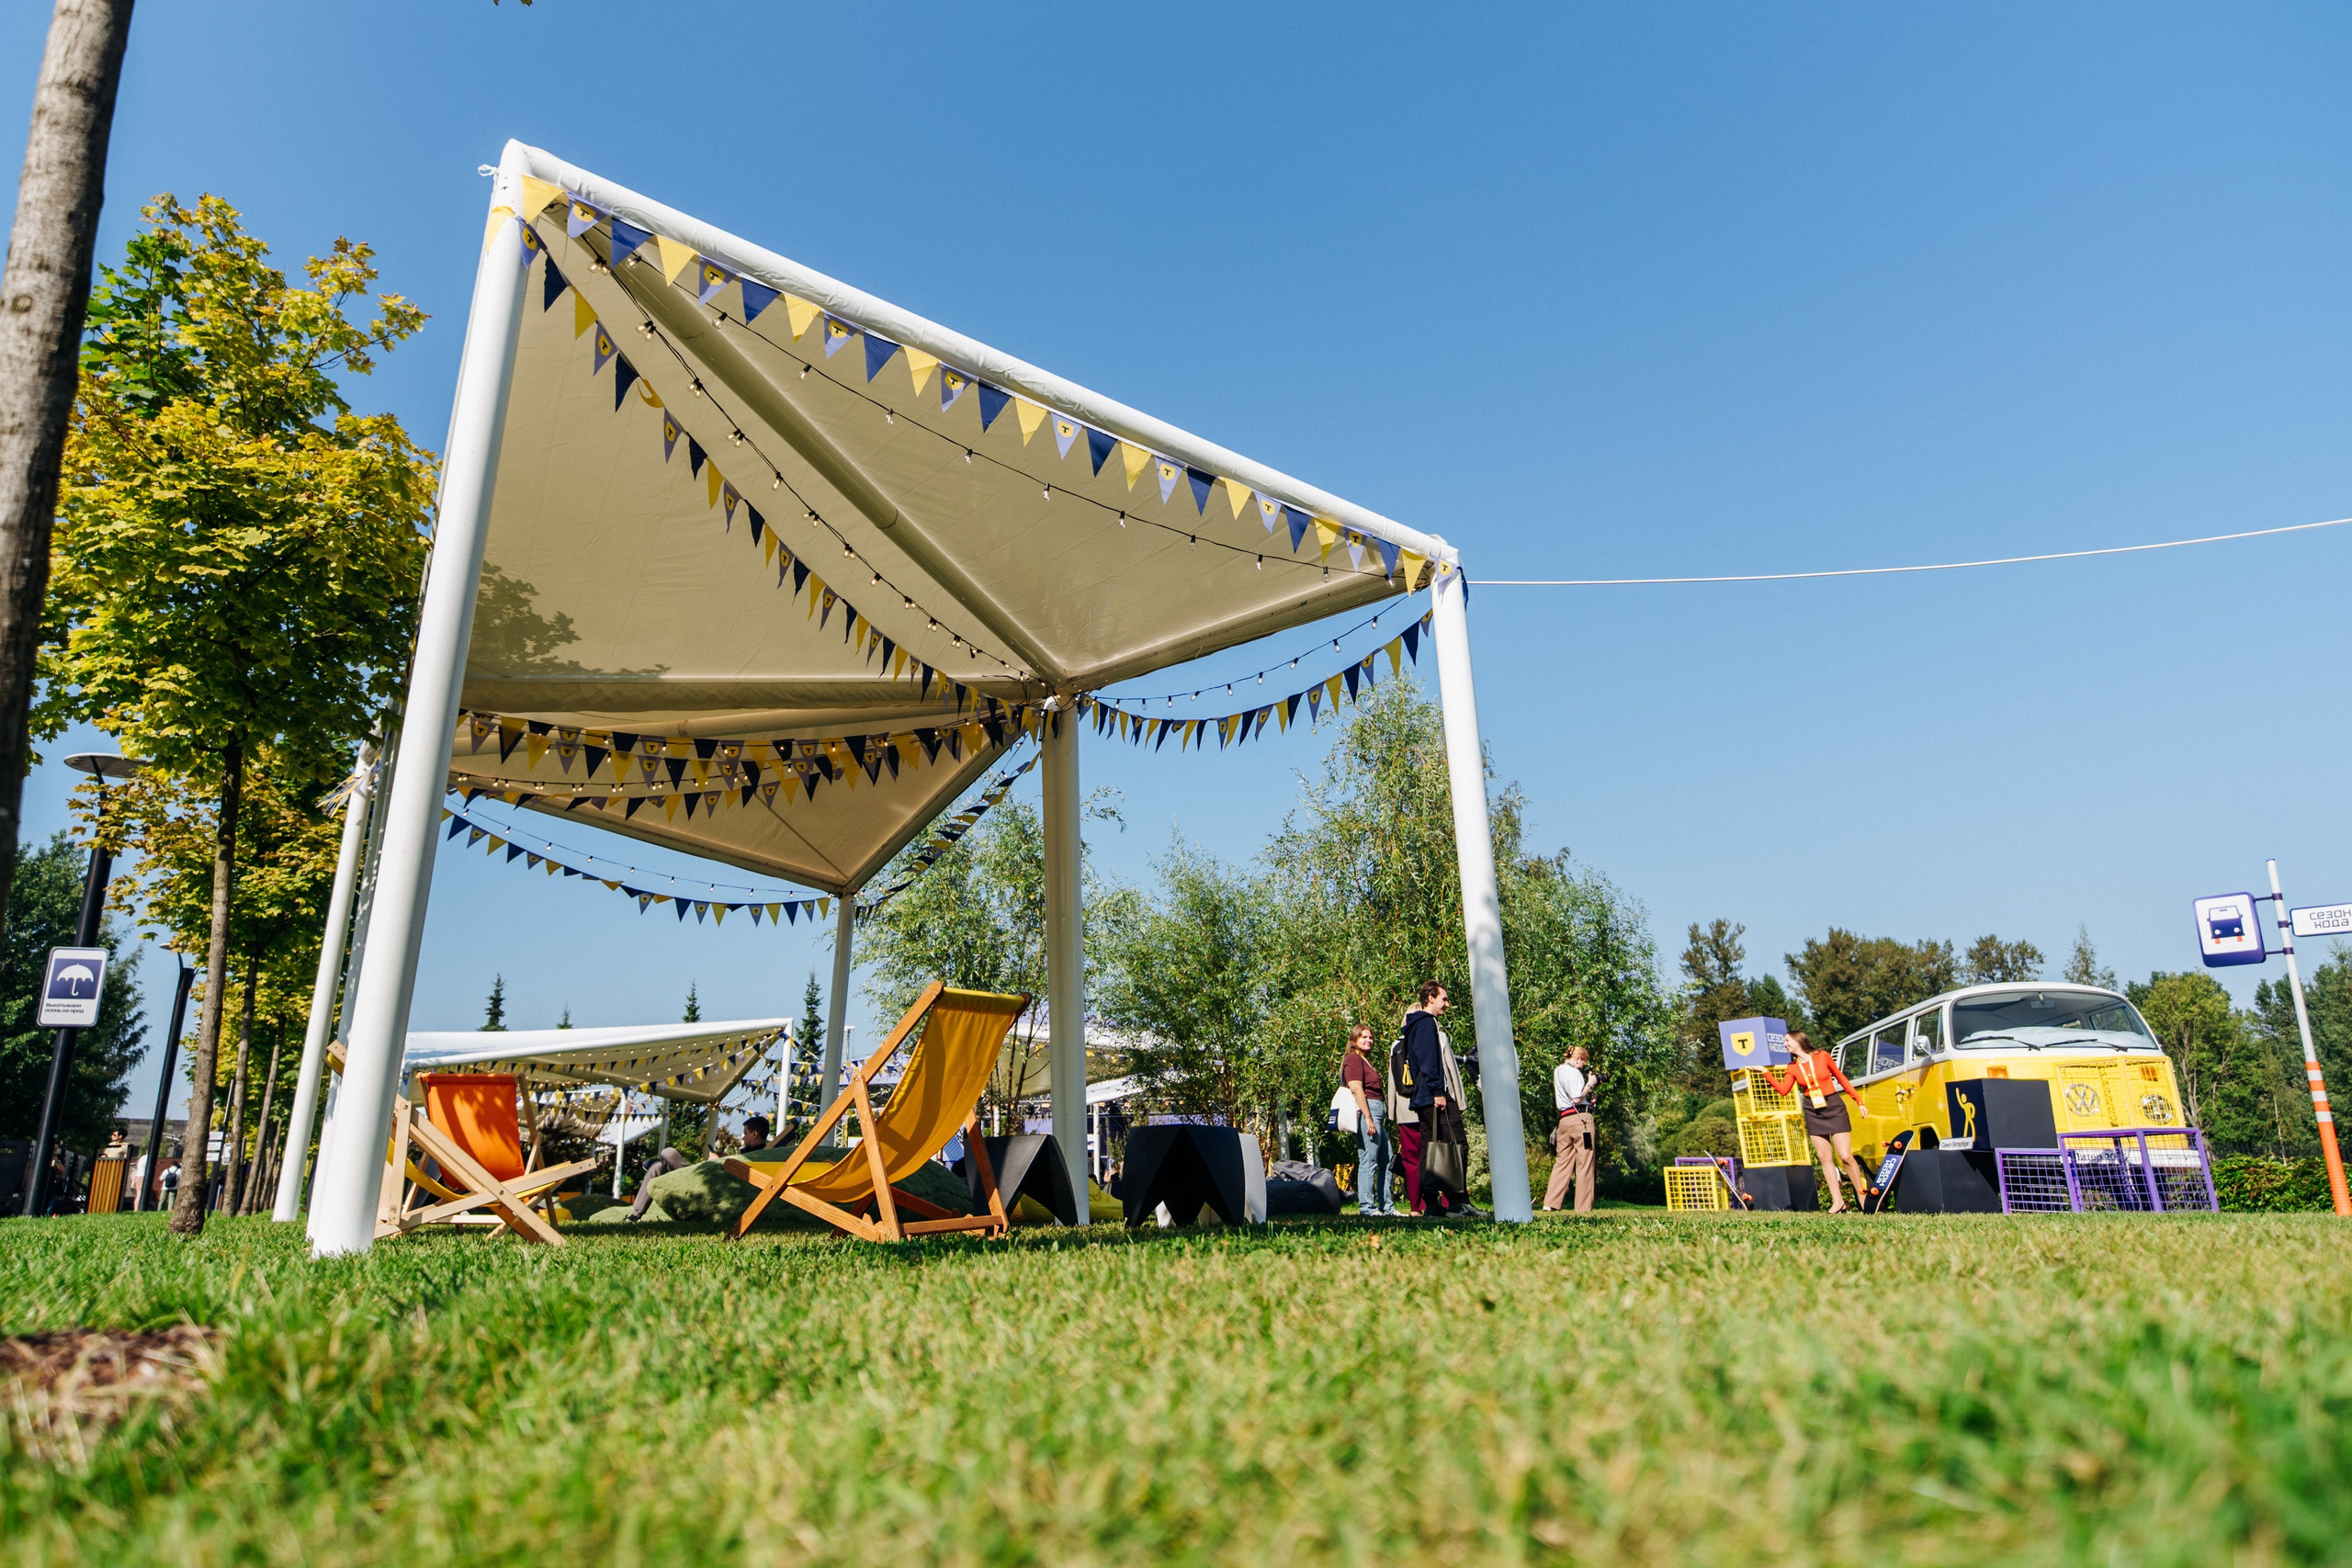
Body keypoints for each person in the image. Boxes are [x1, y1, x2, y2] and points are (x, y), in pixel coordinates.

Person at [1766, 1030, 1870, 1213]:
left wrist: (1859, 1101)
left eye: (1787, 1040)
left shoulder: (1822, 1056)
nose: (1785, 1044)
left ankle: (1863, 1197)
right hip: (1812, 1109)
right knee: (1824, 1157)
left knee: (1845, 1156)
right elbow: (1783, 1090)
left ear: (1799, 1041)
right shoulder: (1792, 1067)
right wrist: (1765, 1073)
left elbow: (1841, 1078)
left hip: (1833, 1105)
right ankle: (1838, 1201)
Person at [627, 1113, 771, 1220]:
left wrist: (716, 1162)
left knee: (668, 1153)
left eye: (745, 1134)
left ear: (755, 1134)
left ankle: (657, 1160)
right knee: (657, 1168)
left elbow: (739, 1176)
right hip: (706, 1181)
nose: (743, 1138)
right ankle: (634, 1216)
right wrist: (722, 1159)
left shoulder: (759, 1155)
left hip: (705, 1186)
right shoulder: (754, 1153)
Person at [1340, 1025, 1394, 1216]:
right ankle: (1367, 1207)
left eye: (1370, 1037)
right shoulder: (1353, 1059)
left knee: (1387, 1159)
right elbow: (1356, 1089)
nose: (1368, 1040)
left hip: (1377, 1110)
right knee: (1368, 1160)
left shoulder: (1364, 1061)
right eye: (1363, 1037)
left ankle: (1387, 1207)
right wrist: (1369, 1118)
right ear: (1354, 1040)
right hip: (1368, 1110)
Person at [1543, 1045, 1600, 1213]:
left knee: (1562, 1161)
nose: (1582, 1067)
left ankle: (1551, 1202)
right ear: (1577, 1059)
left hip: (1564, 1122)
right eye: (1583, 1063)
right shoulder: (1574, 1073)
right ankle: (1583, 1208)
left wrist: (1589, 1100)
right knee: (1585, 1163)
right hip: (1581, 1121)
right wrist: (1590, 1084)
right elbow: (1576, 1098)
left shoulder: (1558, 1071)